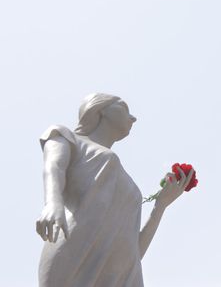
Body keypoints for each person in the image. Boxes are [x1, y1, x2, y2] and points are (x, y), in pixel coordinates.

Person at [35, 93, 194, 287]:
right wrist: (53, 202)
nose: (133, 118)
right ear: (99, 110)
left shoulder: (129, 186)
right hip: (76, 253)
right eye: (124, 108)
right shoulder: (67, 137)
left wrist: (160, 206)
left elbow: (133, 253)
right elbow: (54, 167)